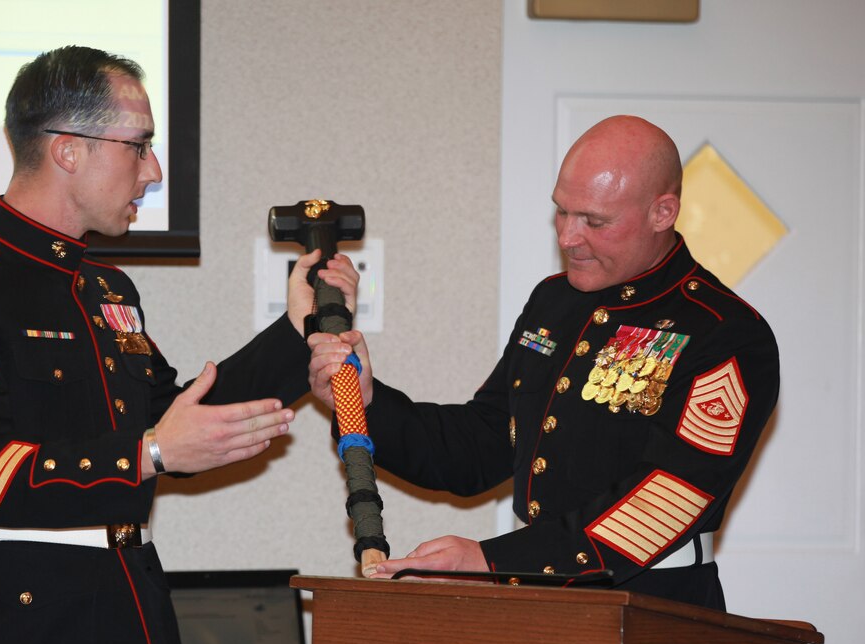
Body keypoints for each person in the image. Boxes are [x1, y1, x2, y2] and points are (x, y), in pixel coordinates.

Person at [0, 46, 358, 644]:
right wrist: (149, 455)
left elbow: (176, 419)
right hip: (14, 640)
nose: (155, 170)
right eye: (138, 146)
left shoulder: (108, 290)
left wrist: (295, 332)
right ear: (68, 149)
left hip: (129, 615)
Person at [309, 115, 778, 611]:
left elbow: (663, 503)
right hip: (537, 600)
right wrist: (368, 402)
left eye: (594, 221)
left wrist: (492, 562)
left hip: (656, 608)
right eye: (561, 212)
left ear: (663, 213)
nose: (568, 237)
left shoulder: (723, 332)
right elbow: (480, 443)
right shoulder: (555, 303)